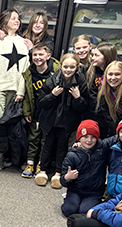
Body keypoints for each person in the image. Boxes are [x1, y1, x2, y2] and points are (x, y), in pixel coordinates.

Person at [0, 9, 30, 171]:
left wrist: (21, 91)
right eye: (13, 18)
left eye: (18, 18)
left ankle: (1, 155)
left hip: (15, 89)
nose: (17, 21)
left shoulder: (24, 43)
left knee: (8, 124)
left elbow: (25, 70)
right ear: (5, 21)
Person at [34, 53, 88, 189]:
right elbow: (41, 103)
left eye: (72, 67)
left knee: (62, 147)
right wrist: (52, 95)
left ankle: (58, 173)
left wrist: (77, 98)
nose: (68, 70)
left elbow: (83, 107)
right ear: (61, 66)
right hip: (51, 120)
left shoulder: (81, 81)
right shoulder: (51, 80)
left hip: (68, 121)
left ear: (76, 67)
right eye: (65, 67)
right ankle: (42, 171)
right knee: (47, 145)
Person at [60, 120, 116, 217]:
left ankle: (88, 202)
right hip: (76, 189)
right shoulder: (72, 155)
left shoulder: (102, 147)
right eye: (85, 137)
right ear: (79, 138)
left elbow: (119, 137)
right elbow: (62, 180)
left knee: (85, 211)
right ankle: (70, 199)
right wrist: (67, 177)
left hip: (94, 192)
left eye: (93, 137)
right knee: (68, 210)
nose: (89, 140)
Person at [22, 43, 60, 179]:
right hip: (36, 112)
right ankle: (30, 163)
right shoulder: (29, 72)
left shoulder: (56, 70)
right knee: (33, 138)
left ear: (48, 56)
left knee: (46, 140)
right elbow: (27, 94)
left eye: (41, 54)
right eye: (35, 55)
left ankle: (41, 164)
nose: (38, 57)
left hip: (50, 113)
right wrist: (27, 112)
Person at [85, 43, 118, 136]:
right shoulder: (91, 72)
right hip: (94, 115)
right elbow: (91, 95)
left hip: (110, 117)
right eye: (93, 55)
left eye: (96, 55)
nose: (92, 58)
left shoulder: (114, 74)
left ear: (106, 57)